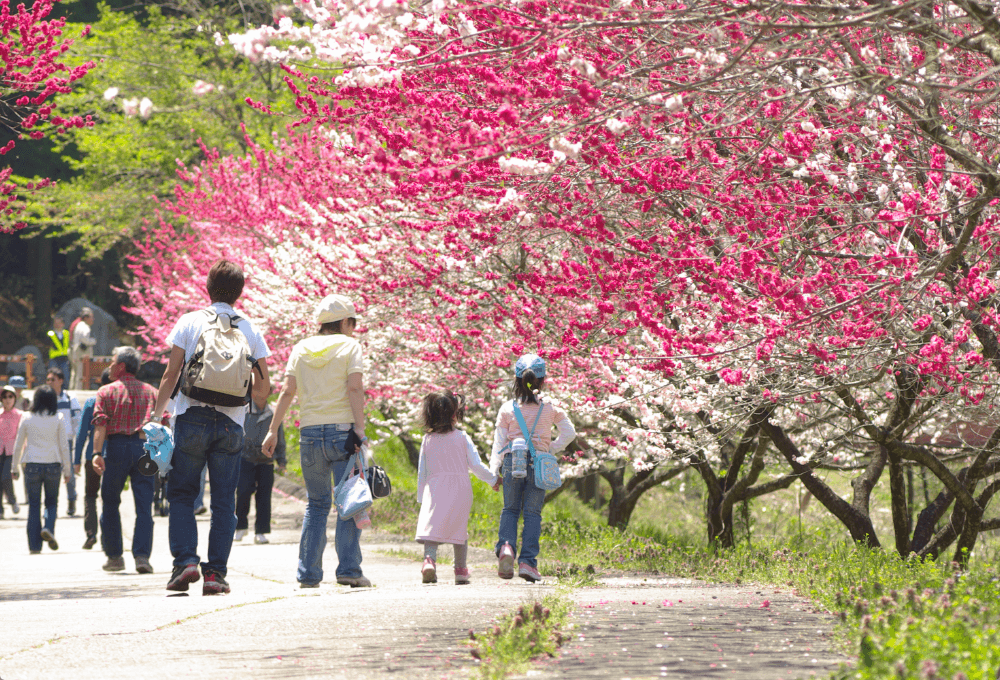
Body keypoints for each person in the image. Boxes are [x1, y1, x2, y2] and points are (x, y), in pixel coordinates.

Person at [149, 260, 271, 596]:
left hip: (191, 417)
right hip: (231, 424)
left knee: (184, 494)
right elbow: (263, 390)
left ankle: (186, 561)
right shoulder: (251, 330)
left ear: (208, 286)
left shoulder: (190, 322)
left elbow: (170, 375)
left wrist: (157, 413)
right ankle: (215, 573)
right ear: (240, 292)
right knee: (223, 501)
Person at [262, 294, 369, 590]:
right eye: (353, 323)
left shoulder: (301, 347)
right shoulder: (350, 346)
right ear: (346, 322)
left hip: (309, 433)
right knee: (347, 500)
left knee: (317, 505)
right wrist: (359, 428)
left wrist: (273, 430)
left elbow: (286, 391)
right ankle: (349, 569)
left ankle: (308, 574)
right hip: (342, 433)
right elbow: (355, 386)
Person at [490, 354, 576, 583]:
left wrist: (493, 473)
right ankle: (528, 562)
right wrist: (550, 449)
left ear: (517, 380)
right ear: (543, 379)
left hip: (512, 462)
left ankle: (506, 548)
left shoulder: (507, 408)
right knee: (532, 514)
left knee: (510, 509)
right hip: (539, 463)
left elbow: (498, 443)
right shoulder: (550, 407)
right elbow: (570, 433)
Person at [416, 391, 498, 585]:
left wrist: (421, 497)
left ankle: (429, 561)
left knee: (431, 527)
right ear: (454, 415)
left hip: (435, 488)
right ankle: (460, 570)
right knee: (459, 528)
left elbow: (422, 471)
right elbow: (476, 465)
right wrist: (493, 480)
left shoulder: (427, 440)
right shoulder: (462, 437)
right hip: (460, 489)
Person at [91, 348, 159, 573]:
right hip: (144, 448)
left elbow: (101, 424)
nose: (109, 366)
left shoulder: (106, 391)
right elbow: (163, 424)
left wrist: (96, 453)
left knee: (110, 501)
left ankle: (115, 557)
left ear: (121, 366)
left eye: (112, 361)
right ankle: (142, 557)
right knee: (144, 505)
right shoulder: (152, 392)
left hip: (117, 447)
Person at [11, 385, 71, 553]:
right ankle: (48, 528)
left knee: (34, 505)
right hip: (53, 465)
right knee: (51, 502)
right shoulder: (58, 418)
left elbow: (18, 445)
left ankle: (35, 546)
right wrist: (67, 470)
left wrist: (14, 467)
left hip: (31, 465)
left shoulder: (26, 417)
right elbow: (64, 447)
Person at [234, 392, 286, 544]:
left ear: (268, 393)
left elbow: (280, 437)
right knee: (242, 492)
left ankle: (261, 531)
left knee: (264, 496)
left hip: (266, 459)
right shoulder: (244, 411)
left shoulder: (273, 413)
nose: (259, 394)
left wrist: (281, 460)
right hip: (245, 458)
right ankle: (240, 527)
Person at [75, 369, 112, 549]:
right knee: (110, 497)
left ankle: (91, 533)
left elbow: (82, 434)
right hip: (113, 454)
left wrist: (76, 460)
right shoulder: (119, 400)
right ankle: (108, 536)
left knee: (90, 495)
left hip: (93, 455)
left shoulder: (91, 402)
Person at [46, 368, 80, 516]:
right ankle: (51, 504)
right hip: (49, 441)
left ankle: (72, 499)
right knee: (51, 473)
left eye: (52, 379)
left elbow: (76, 421)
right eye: (47, 380)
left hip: (66, 441)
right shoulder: (45, 399)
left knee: (69, 471)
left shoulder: (69, 398)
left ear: (61, 380)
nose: (49, 383)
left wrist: (77, 439)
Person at [1, 384, 23, 518]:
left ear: (15, 398)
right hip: (0, 451)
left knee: (5, 477)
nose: (7, 399)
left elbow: (22, 435)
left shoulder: (19, 415)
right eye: (4, 397)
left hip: (12, 452)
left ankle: (12, 500)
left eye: (10, 396)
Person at [70, 307, 97, 390]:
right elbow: (84, 339)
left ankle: (72, 389)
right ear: (86, 317)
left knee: (75, 372)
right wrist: (93, 341)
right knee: (81, 372)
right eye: (91, 317)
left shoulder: (78, 325)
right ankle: (79, 390)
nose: (93, 319)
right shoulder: (85, 327)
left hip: (75, 350)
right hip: (81, 351)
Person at [47, 316, 71, 381]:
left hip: (64, 358)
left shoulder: (66, 333)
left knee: (65, 376)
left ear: (63, 324)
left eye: (59, 323)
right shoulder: (50, 333)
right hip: (54, 358)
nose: (57, 325)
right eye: (55, 323)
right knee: (53, 376)